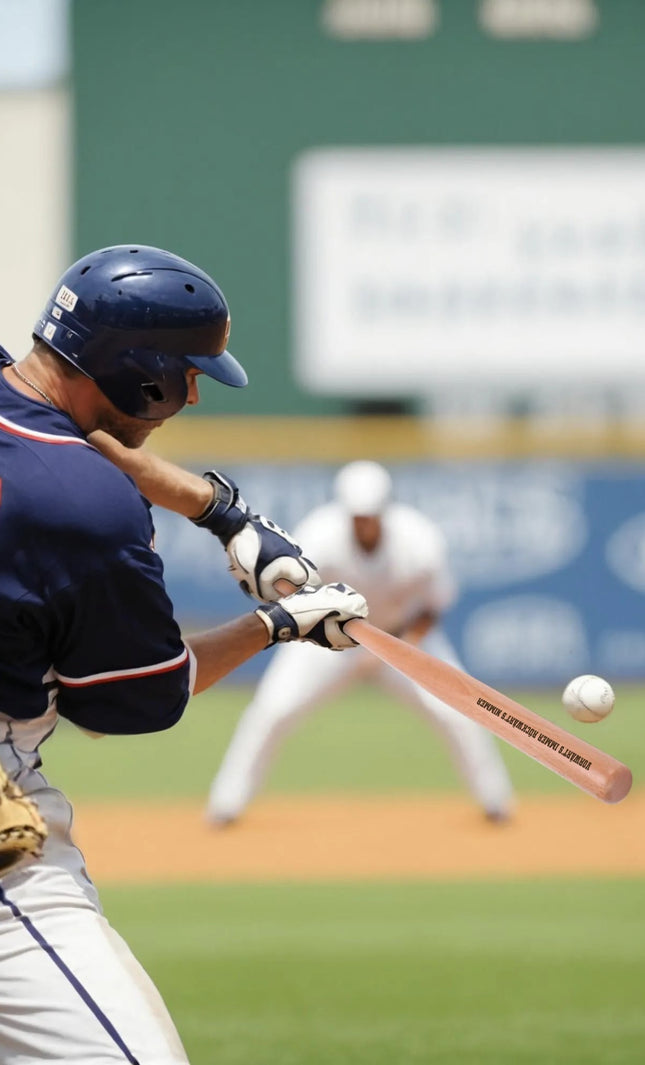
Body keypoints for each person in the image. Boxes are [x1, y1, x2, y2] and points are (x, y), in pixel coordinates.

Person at [0, 244, 368, 1064]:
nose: (195, 391)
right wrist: (278, 626)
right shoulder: (84, 511)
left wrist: (222, 513)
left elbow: (75, 438)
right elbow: (128, 704)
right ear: (142, 373)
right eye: (188, 371)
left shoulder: (46, 437)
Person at [207, 460, 515, 827]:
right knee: (272, 710)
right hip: (326, 639)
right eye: (356, 515)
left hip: (401, 639)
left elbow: (433, 606)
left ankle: (496, 801)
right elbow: (293, 597)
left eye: (369, 514)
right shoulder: (319, 535)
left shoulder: (419, 541)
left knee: (457, 712)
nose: (362, 522)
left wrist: (396, 650)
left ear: (385, 510)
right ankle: (226, 804)